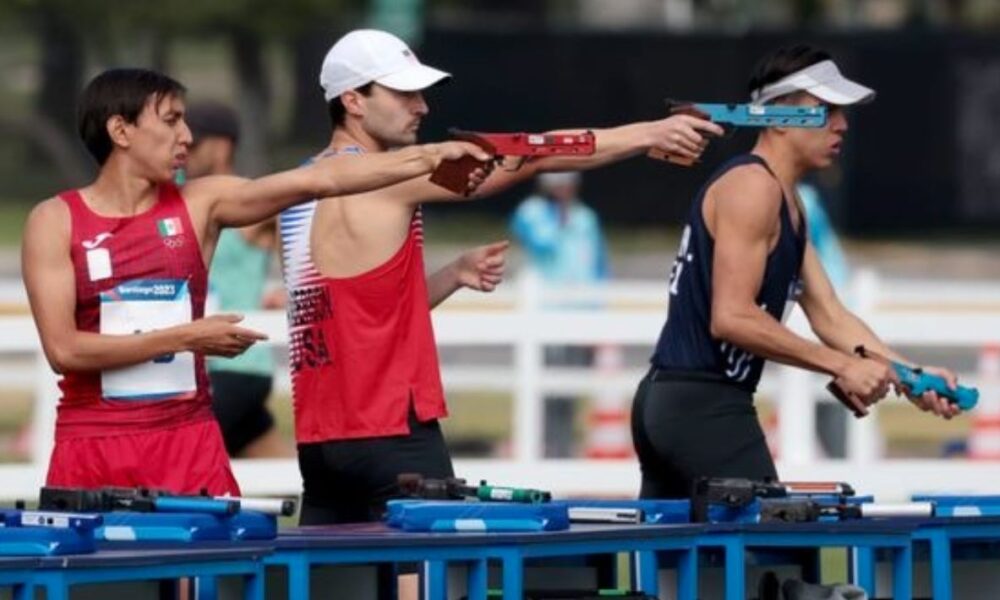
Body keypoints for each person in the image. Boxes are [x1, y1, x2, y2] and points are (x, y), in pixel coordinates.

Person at [284, 28, 724, 526]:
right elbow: (533, 156)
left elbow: (362, 315)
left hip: (321, 444)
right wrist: (649, 133)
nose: (422, 106)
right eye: (404, 93)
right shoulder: (393, 178)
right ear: (353, 101)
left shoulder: (300, 189)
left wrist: (452, 274)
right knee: (431, 582)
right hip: (392, 433)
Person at [20, 68, 490, 496]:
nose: (187, 137)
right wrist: (187, 337)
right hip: (93, 443)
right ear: (120, 130)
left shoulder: (202, 203)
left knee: (205, 589)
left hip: (189, 443)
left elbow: (319, 181)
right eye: (171, 121)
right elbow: (65, 351)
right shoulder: (55, 221)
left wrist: (427, 156)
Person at [631, 44, 962, 500]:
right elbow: (732, 317)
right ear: (780, 117)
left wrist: (910, 375)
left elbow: (829, 315)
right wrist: (843, 365)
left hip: (682, 403)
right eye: (825, 111)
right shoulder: (753, 188)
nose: (842, 124)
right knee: (780, 557)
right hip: (701, 405)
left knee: (680, 570)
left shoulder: (789, 202)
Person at [183, 101, 290, 459]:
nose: (185, 152)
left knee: (181, 462)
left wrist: (293, 290)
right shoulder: (180, 199)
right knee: (285, 476)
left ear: (223, 145)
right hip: (197, 361)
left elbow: (307, 233)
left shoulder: (252, 203)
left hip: (238, 365)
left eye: (195, 145)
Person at [510, 171, 609, 457]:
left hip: (582, 315)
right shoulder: (530, 213)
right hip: (546, 313)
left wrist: (598, 315)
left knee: (569, 389)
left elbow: (598, 265)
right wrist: (559, 219)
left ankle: (563, 449)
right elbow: (541, 245)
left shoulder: (586, 218)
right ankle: (544, 447)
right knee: (545, 390)